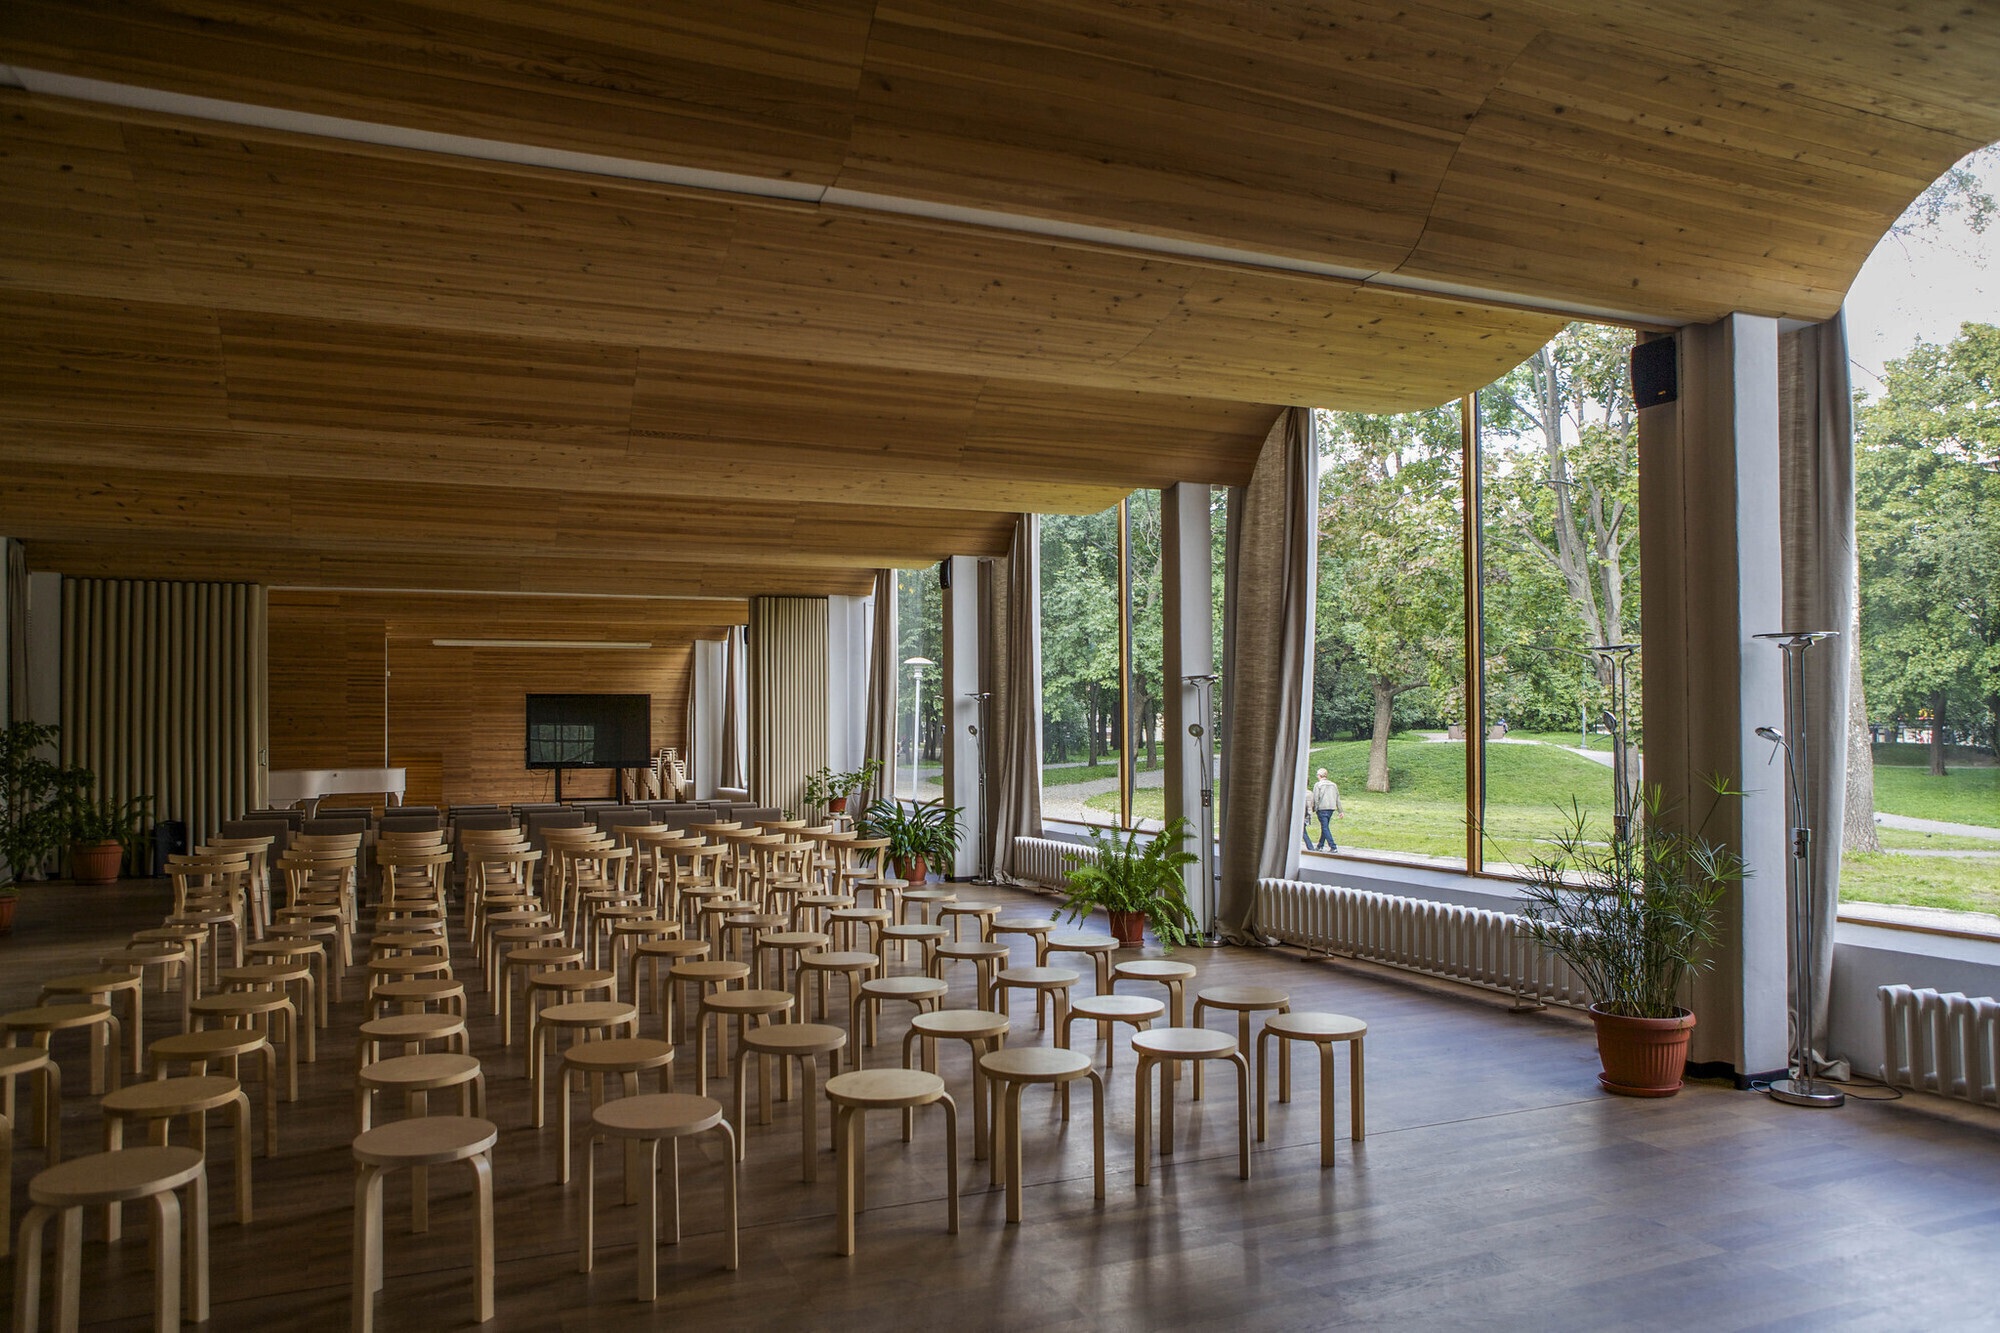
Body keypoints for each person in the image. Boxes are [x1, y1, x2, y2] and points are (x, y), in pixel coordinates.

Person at [1311, 767, 1342, 851]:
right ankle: (1320, 845)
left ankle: (1333, 846)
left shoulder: (1318, 785)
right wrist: (1340, 811)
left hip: (1322, 808)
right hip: (1331, 808)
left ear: (1319, 775)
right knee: (1325, 826)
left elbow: (1316, 798)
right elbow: (1337, 798)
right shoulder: (1333, 785)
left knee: (1325, 828)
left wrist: (1315, 808)